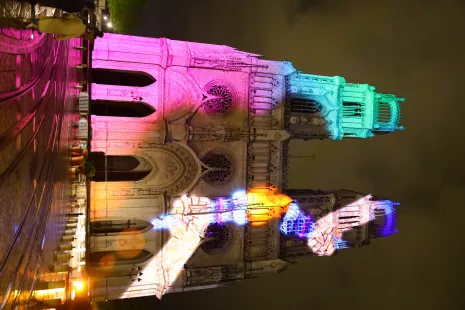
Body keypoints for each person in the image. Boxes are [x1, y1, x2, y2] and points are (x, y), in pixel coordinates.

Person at [23, 15, 103, 41]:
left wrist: (66, 16)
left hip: (59, 22)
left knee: (44, 21)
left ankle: (28, 20)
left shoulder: (79, 21)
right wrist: (57, 39)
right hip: (57, 30)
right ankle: (33, 26)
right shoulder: (78, 34)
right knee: (44, 28)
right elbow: (66, 37)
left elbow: (70, 16)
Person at [28, 0, 96, 14]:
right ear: (89, 8)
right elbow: (69, 10)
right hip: (60, 4)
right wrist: (63, 8)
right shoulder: (80, 8)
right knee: (48, 2)